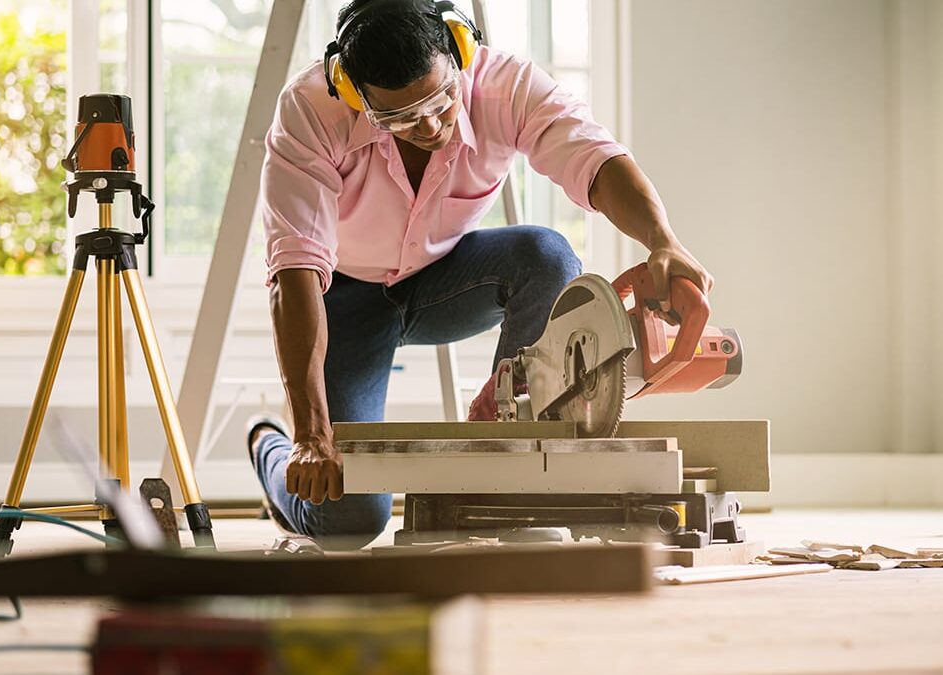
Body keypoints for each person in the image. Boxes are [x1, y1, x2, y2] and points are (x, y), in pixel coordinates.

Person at [248, 0, 712, 546]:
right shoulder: (309, 110)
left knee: (547, 255)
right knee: (347, 519)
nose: (426, 124)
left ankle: (508, 465)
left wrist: (663, 241)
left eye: (440, 99)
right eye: (397, 117)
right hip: (344, 296)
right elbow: (296, 270)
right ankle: (268, 448)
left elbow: (596, 158)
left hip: (448, 279)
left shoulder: (505, 85)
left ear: (459, 52)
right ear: (354, 94)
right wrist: (310, 435)